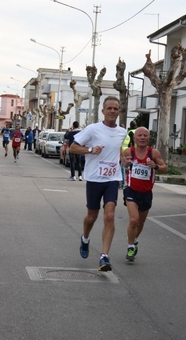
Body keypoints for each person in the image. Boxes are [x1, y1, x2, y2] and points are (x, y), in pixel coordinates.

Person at [69, 96, 128, 272]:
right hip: (94, 179)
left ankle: (104, 257)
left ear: (119, 112)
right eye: (109, 108)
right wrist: (90, 150)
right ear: (103, 111)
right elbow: (73, 147)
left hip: (112, 179)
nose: (112, 111)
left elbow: (118, 149)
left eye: (115, 109)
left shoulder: (122, 132)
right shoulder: (93, 129)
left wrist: (124, 159)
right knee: (92, 216)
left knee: (109, 215)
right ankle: (85, 238)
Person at [123, 127, 167, 262]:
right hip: (131, 191)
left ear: (149, 138)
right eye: (139, 135)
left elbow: (165, 169)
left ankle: (135, 240)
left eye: (145, 135)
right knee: (134, 219)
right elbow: (122, 164)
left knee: (141, 222)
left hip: (146, 193)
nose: (142, 138)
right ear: (135, 138)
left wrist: (156, 166)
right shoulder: (128, 152)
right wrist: (125, 163)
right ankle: (130, 247)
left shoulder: (153, 153)